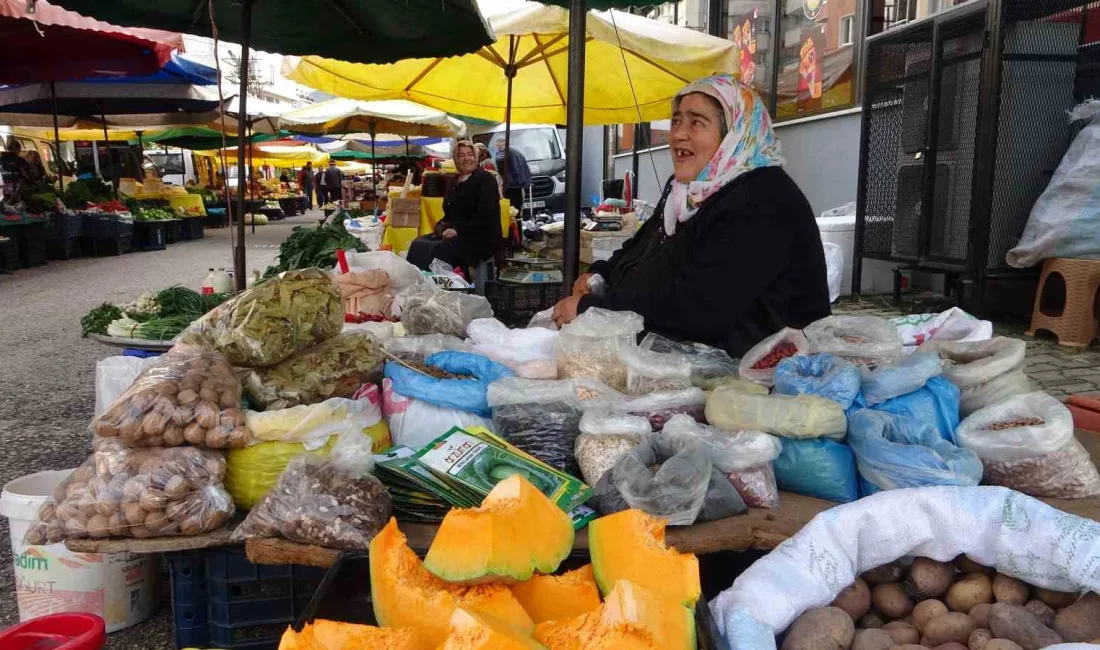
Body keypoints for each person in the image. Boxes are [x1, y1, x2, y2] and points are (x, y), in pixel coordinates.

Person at [550, 74, 830, 357]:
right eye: (676, 121)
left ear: (735, 134)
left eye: (696, 122)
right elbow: (642, 247)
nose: (678, 134)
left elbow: (701, 309)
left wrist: (593, 310)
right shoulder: (688, 192)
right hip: (691, 362)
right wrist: (600, 274)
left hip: (763, 379)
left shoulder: (762, 198)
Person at [406, 140, 500, 272]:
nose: (467, 159)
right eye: (461, 155)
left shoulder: (485, 179)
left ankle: (438, 286)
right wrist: (442, 224)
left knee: (438, 249)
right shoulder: (454, 181)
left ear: (476, 156)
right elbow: (451, 213)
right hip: (457, 232)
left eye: (470, 154)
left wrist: (458, 231)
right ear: (456, 159)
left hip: (479, 236)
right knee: (419, 244)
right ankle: (419, 283)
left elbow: (486, 215)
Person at [495, 140, 530, 211]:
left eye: (496, 146)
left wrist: (502, 176)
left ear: (499, 145)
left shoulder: (503, 151)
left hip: (509, 186)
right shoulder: (519, 153)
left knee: (510, 212)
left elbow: (499, 160)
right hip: (519, 186)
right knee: (517, 210)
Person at [0, 138, 35, 204]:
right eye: (19, 149)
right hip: (18, 192)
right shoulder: (20, 161)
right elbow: (28, 176)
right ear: (17, 149)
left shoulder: (1, 160)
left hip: (4, 192)